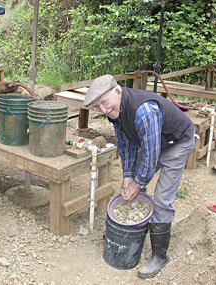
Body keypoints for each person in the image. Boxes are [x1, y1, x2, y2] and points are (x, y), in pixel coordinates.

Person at [84, 74, 195, 278]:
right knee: (134, 182)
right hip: (153, 141)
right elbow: (125, 143)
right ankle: (130, 234)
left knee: (161, 199)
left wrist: (138, 182)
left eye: (105, 102)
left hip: (177, 143)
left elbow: (151, 156)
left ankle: (160, 256)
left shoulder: (144, 111)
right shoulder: (114, 111)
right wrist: (128, 176)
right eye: (97, 106)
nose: (103, 110)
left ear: (118, 91)